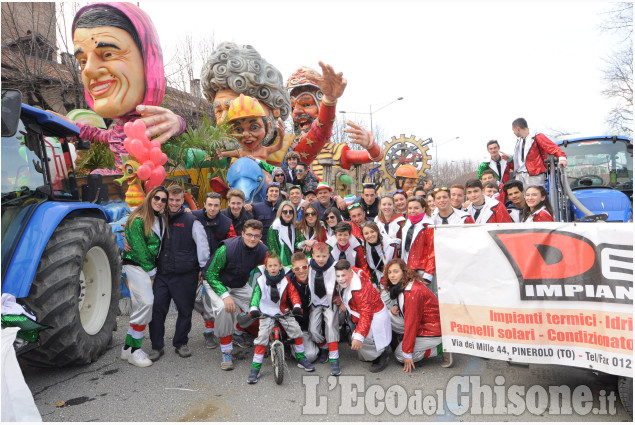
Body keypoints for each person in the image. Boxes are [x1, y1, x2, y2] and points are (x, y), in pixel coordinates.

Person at [69, 3, 186, 174]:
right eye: (83, 61)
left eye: (108, 54)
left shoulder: (149, 123)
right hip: (123, 184)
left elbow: (171, 126)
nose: (88, 70)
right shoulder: (118, 129)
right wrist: (69, 125)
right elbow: (100, 135)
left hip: (147, 187)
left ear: (147, 62)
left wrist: (178, 123)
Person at [201, 42, 292, 166]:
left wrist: (328, 102)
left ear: (274, 108)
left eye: (235, 107)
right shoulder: (223, 158)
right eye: (219, 111)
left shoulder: (291, 155)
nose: (223, 121)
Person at [149, 185, 210, 361]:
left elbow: (202, 246)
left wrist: (202, 268)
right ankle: (156, 346)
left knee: (185, 311)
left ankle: (181, 343)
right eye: (171, 200)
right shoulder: (159, 218)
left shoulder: (192, 221)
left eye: (178, 200)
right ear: (167, 201)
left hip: (185, 275)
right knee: (157, 310)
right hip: (163, 274)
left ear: (183, 200)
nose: (174, 203)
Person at [204, 219, 268, 370]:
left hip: (238, 284)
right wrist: (225, 296)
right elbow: (211, 274)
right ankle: (226, 351)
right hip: (217, 282)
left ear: (260, 237)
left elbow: (272, 267)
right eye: (249, 235)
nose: (253, 239)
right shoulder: (228, 247)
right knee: (224, 309)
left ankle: (238, 329)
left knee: (259, 306)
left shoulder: (262, 249)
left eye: (256, 236)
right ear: (242, 233)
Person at [246, 253, 315, 384]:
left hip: (282, 310)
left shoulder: (285, 280)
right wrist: (254, 308)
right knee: (262, 338)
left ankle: (301, 357)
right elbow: (256, 296)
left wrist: (296, 305)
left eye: (275, 265)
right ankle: (255, 368)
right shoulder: (261, 281)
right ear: (266, 267)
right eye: (270, 266)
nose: (273, 268)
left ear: (281, 266)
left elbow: (293, 293)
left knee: (296, 330)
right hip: (266, 312)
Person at [120, 185, 167, 367]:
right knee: (147, 303)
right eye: (157, 198)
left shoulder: (160, 217)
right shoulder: (137, 219)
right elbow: (140, 250)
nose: (160, 202)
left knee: (141, 306)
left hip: (148, 268)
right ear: (150, 197)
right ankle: (134, 350)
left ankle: (127, 348)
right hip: (137, 266)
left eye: (163, 199)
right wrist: (153, 273)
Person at [382, 259, 452, 371]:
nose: (392, 275)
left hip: (433, 330)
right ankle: (405, 341)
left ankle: (441, 348)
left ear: (404, 272)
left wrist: (407, 353)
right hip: (422, 324)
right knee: (388, 316)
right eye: (389, 272)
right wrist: (397, 306)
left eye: (396, 271)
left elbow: (412, 323)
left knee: (400, 355)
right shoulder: (404, 284)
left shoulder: (412, 292)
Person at [192, 192, 237, 348]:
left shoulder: (226, 222)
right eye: (209, 204)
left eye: (216, 205)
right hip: (194, 266)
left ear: (221, 206)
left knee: (212, 300)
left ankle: (209, 331)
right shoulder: (193, 216)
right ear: (204, 204)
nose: (212, 208)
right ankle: (209, 318)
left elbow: (231, 246)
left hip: (217, 268)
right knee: (194, 299)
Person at [334, 260, 392, 373]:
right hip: (360, 314)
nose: (340, 278)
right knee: (360, 348)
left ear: (350, 274)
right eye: (338, 276)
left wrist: (359, 336)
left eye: (343, 275)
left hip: (374, 316)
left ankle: (382, 354)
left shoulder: (361, 290)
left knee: (363, 339)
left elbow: (366, 314)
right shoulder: (351, 273)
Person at [216, 95, 286, 162]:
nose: (245, 134)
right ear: (231, 132)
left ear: (268, 127)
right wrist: (217, 153)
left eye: (254, 127)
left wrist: (282, 136)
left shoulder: (264, 150)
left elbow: (278, 147)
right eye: (238, 130)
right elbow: (220, 154)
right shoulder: (239, 152)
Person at [307, 242, 341, 376]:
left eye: (324, 256)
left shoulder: (335, 266)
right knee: (313, 330)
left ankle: (334, 359)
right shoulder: (309, 264)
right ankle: (324, 347)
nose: (321, 259)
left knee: (331, 327)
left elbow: (345, 280)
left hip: (329, 301)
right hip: (315, 301)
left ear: (329, 255)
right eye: (318, 256)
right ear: (313, 255)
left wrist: (341, 298)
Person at [511, 118, 567, 187]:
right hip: (519, 174)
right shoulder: (519, 141)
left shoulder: (536, 136)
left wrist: (561, 157)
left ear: (517, 128)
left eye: (513, 130)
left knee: (536, 195)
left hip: (534, 174)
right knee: (521, 196)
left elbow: (551, 147)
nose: (513, 132)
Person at [288, 252, 319, 364]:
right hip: (301, 326)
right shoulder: (287, 282)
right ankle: (292, 344)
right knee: (310, 356)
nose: (301, 271)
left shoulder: (316, 277)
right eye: (297, 268)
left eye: (304, 267)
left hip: (315, 321)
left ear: (308, 266)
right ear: (292, 270)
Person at [401, 196, 436, 294]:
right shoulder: (407, 222)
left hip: (422, 270)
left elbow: (432, 251)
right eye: (410, 208)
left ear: (423, 208)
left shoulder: (429, 225)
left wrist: (428, 275)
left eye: (416, 208)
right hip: (407, 269)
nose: (412, 211)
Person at [360, 221, 400, 288]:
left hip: (393, 281)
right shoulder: (364, 246)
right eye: (366, 233)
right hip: (378, 282)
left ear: (377, 231)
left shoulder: (390, 245)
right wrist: (375, 285)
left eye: (372, 232)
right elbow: (371, 269)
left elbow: (394, 268)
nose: (370, 235)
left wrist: (382, 286)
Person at [268, 201, 303, 266]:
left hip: (294, 263)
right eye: (285, 212)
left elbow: (296, 244)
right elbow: (273, 250)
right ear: (280, 213)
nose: (288, 214)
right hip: (281, 265)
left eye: (291, 211)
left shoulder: (295, 226)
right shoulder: (274, 228)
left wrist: (304, 243)